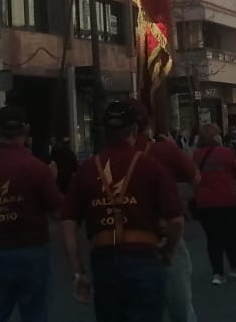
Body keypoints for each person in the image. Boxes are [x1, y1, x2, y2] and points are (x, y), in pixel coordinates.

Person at [60, 101, 184, 322]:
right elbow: (176, 220)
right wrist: (169, 251)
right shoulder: (149, 165)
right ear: (135, 130)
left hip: (103, 260)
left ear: (105, 133)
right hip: (143, 257)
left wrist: (77, 271)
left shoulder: (88, 168)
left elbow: (68, 222)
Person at [0, 105, 62, 322]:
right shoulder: (36, 167)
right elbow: (57, 211)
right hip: (31, 249)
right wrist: (52, 179)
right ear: (25, 130)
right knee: (35, 312)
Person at [129, 101, 200, 322]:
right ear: (147, 123)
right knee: (179, 304)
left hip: (124, 239)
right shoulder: (163, 150)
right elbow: (196, 178)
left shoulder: (105, 158)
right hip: (163, 233)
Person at [191, 123, 236, 285]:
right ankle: (234, 265)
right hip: (227, 199)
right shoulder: (226, 152)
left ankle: (217, 273)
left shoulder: (196, 155)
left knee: (212, 238)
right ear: (215, 136)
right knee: (230, 234)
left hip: (205, 202)